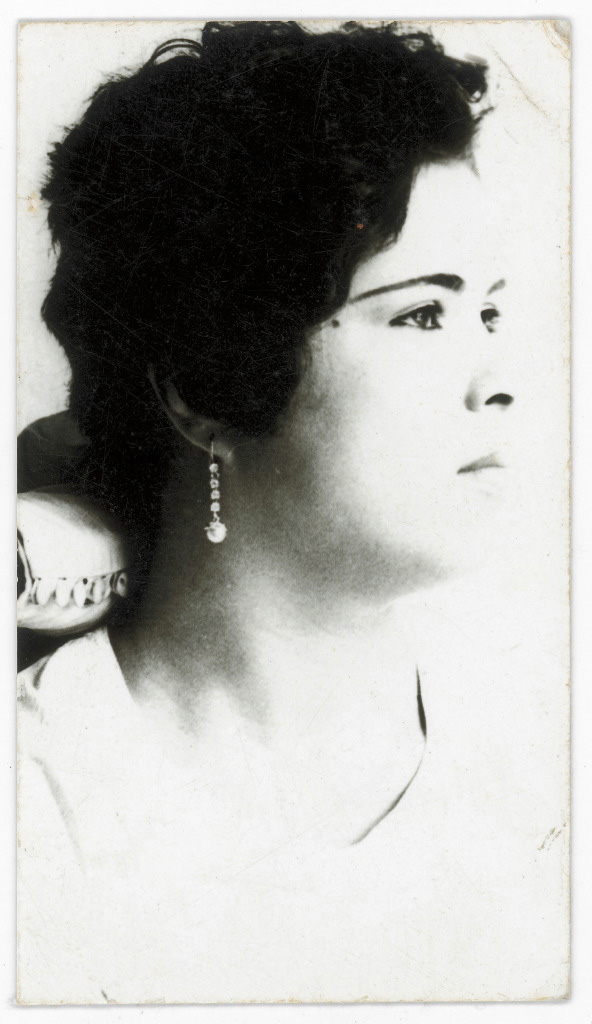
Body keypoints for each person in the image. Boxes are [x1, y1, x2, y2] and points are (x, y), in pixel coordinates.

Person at [17, 20, 566, 1004]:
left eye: (489, 311)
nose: (498, 380)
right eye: (424, 314)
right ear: (206, 388)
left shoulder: (544, 752)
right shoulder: (36, 810)